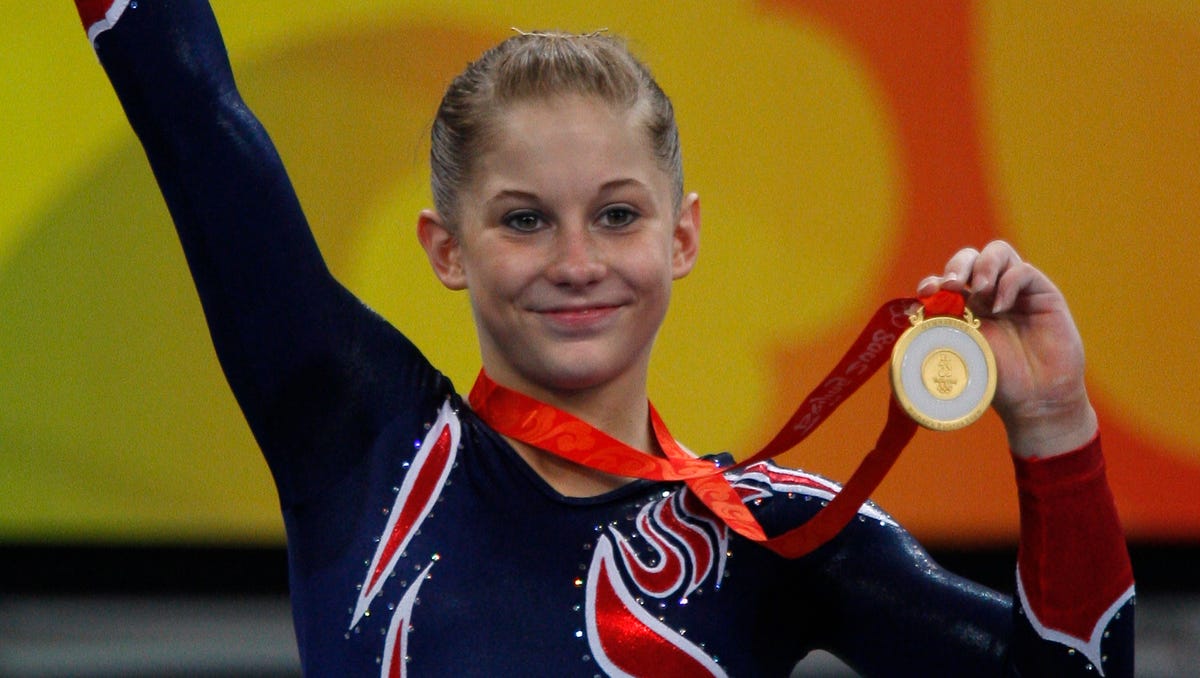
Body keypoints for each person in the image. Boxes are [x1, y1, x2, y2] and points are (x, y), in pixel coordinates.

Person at [73, 1, 1134, 675]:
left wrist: (1054, 424)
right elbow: (193, 114)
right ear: (448, 249)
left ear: (682, 237)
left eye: (617, 215)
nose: (576, 261)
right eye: (524, 219)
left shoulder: (779, 542)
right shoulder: (366, 449)